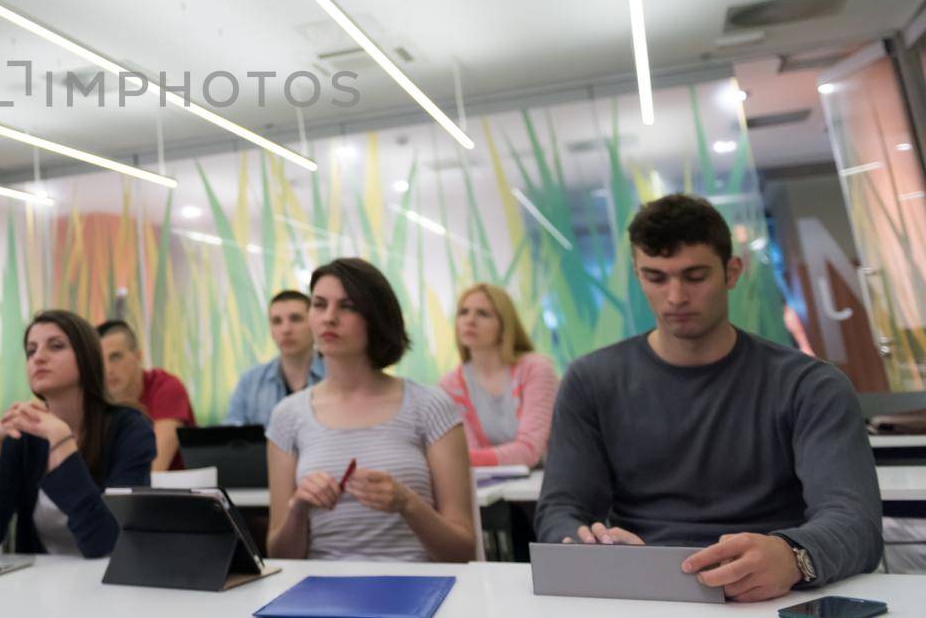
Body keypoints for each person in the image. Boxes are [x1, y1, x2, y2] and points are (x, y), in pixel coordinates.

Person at [535, 193, 883, 603]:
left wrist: (794, 555)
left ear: (732, 271)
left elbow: (855, 523)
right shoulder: (590, 380)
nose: (676, 297)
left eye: (695, 276)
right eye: (656, 277)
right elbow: (560, 511)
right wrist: (585, 545)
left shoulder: (810, 385)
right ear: (637, 274)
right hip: (641, 594)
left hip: (772, 593)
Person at [266, 258, 476, 562]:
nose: (329, 318)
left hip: (418, 590)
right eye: (319, 304)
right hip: (321, 594)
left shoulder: (430, 406)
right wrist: (298, 508)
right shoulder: (287, 416)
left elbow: (462, 550)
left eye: (347, 306)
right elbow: (279, 557)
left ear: (376, 318)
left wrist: (408, 504)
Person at [0, 310, 153, 557]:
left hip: (110, 585)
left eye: (56, 346)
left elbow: (105, 542)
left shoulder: (131, 430)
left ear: (87, 357)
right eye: (31, 351)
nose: (39, 357)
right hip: (38, 586)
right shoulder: (23, 434)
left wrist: (62, 441)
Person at [438, 282, 558, 468]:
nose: (470, 320)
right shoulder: (450, 384)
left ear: (505, 325)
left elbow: (532, 450)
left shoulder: (536, 369)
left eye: (483, 314)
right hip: (489, 490)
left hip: (543, 484)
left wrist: (460, 460)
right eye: (463, 312)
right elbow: (468, 451)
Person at [98, 319, 196, 470]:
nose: (107, 369)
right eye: (99, 361)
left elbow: (153, 468)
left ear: (138, 356)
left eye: (115, 357)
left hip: (170, 492)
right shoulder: (95, 398)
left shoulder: (166, 387)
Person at [226, 290, 327, 427]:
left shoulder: (337, 377)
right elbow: (230, 440)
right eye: (276, 321)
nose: (286, 329)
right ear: (270, 329)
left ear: (313, 324)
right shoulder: (249, 382)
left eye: (295, 319)